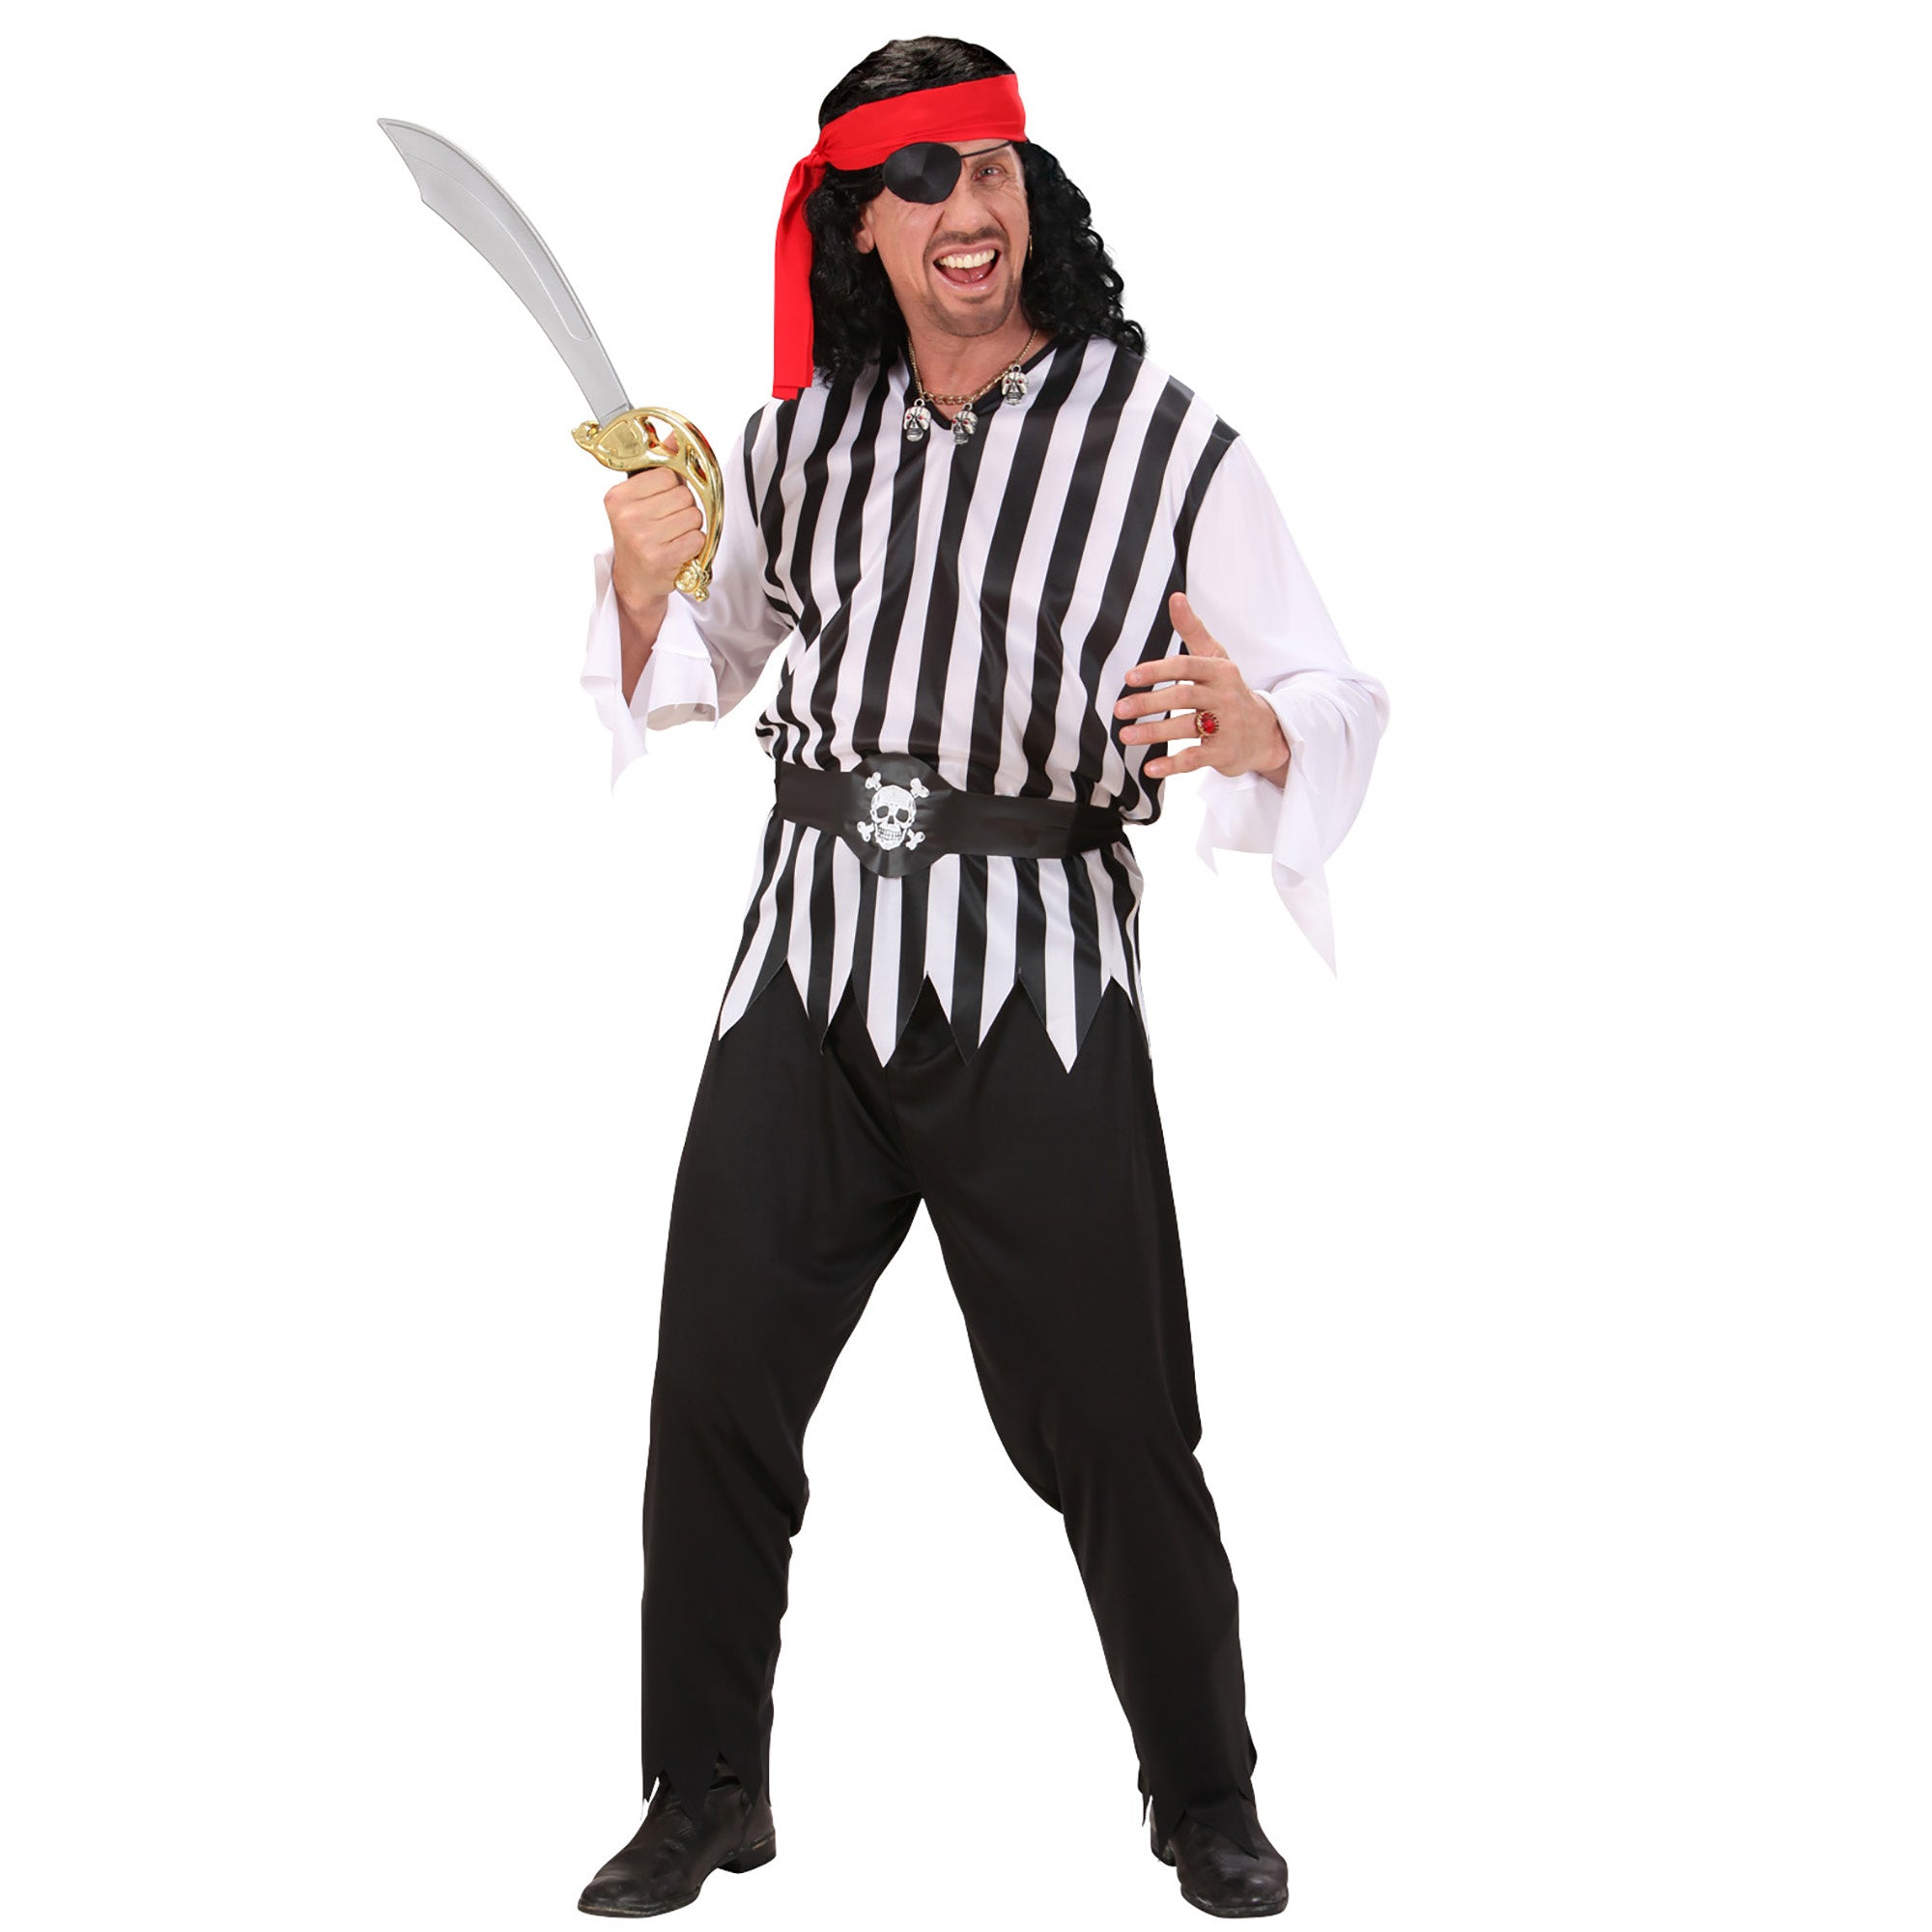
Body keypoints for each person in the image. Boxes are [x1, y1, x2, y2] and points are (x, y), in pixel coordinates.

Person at [573, 35, 1388, 1920]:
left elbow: (1333, 689)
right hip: (802, 968)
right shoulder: (797, 442)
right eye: (923, 176)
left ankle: (1205, 1794)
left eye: (994, 167)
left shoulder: (1165, 445)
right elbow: (697, 668)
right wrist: (639, 576)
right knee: (712, 1392)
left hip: (1036, 976)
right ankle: (703, 1787)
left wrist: (1262, 728)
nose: (969, 205)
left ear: (1035, 196)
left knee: (1117, 1420)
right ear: (861, 225)